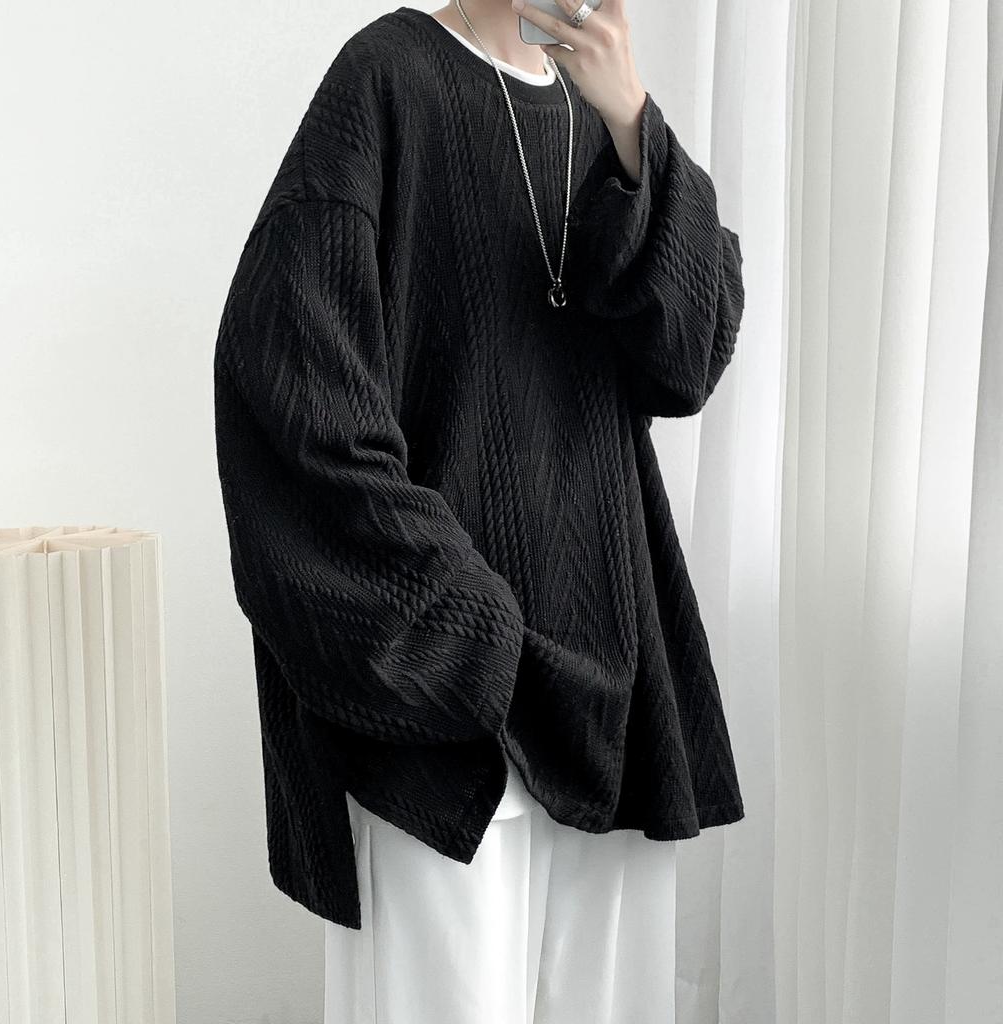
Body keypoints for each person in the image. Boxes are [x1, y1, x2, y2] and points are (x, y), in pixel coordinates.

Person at [212, 1, 746, 1020]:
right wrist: (469, 630)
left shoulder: (603, 116)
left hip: (609, 692)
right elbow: (289, 387)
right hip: (448, 705)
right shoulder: (387, 78)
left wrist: (632, 121)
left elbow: (686, 359)